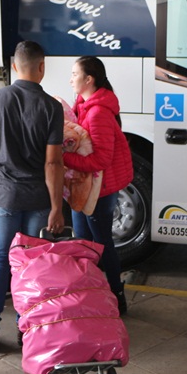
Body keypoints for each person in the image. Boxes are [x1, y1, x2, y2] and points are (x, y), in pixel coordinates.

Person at [0, 40, 65, 353]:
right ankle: (28, 331)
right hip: (38, 198)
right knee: (32, 266)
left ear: (13, 66)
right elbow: (52, 162)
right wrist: (56, 206)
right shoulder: (51, 106)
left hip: (4, 197)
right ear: (42, 67)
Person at [63, 56, 133, 315]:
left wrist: (62, 158)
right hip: (85, 187)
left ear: (88, 79)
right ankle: (89, 293)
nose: (70, 79)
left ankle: (116, 294)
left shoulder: (98, 112)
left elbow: (100, 160)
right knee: (82, 241)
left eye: (74, 74)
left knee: (101, 243)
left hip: (100, 190)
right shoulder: (82, 105)